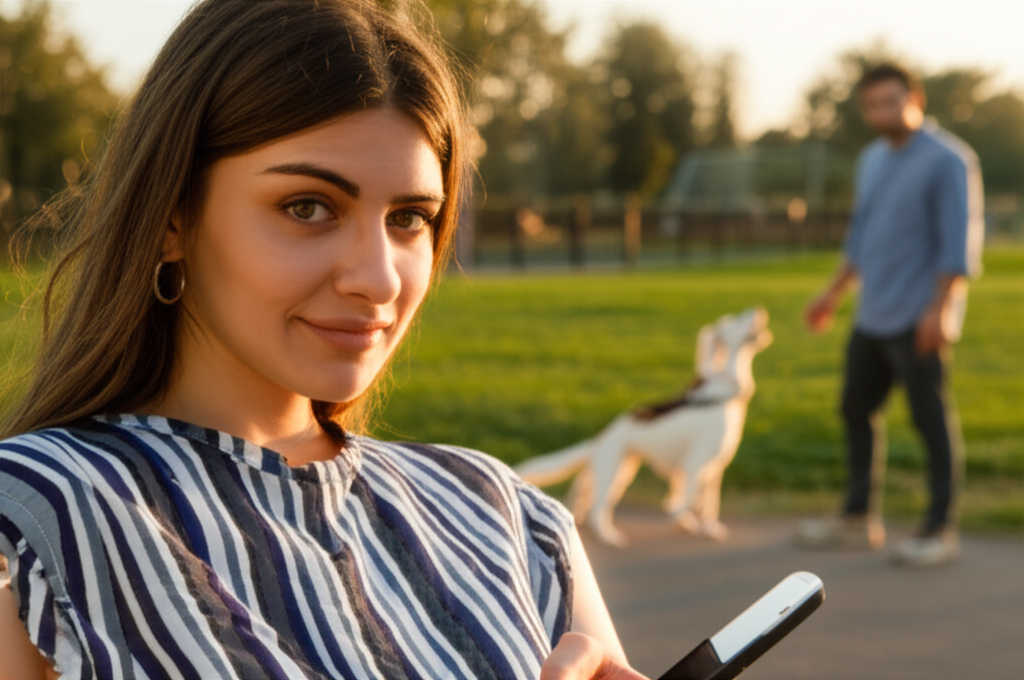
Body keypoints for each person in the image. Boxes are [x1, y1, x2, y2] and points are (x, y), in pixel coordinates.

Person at [0, 1, 648, 678]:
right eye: (307, 207)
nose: (378, 278)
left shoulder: (508, 519)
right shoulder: (34, 523)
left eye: (409, 218)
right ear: (172, 218)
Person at [797, 63, 984, 567]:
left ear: (915, 100)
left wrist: (940, 310)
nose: (883, 112)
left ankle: (939, 529)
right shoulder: (873, 159)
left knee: (929, 420)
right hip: (872, 313)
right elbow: (861, 237)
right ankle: (858, 518)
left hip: (918, 316)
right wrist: (831, 295)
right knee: (855, 410)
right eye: (873, 104)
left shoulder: (949, 159)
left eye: (892, 101)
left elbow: (958, 243)